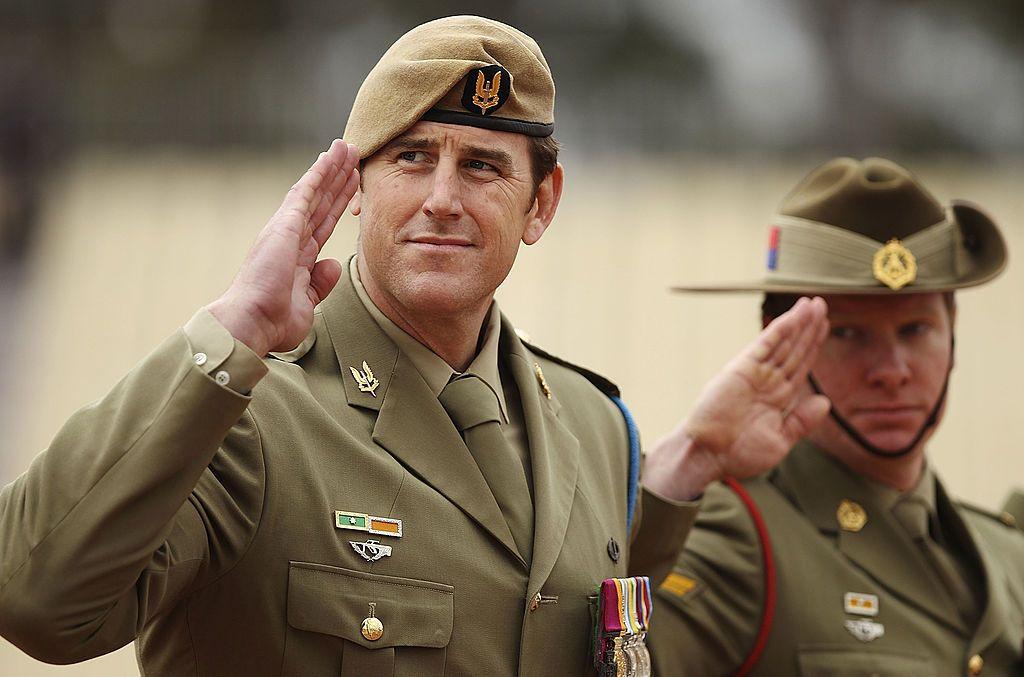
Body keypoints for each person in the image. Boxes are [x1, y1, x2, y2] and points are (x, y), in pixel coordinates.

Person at [0, 16, 830, 676]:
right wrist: (238, 331)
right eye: (411, 156)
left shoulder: (594, 427)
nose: (441, 198)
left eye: (481, 166)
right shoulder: (241, 408)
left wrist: (687, 464)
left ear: (541, 204)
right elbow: (36, 599)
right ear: (355, 185)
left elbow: (571, 631)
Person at [649, 157, 1024, 676]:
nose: (891, 372)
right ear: (776, 336)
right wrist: (689, 459)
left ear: (953, 333)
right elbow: (596, 650)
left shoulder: (1005, 555)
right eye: (847, 333)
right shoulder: (738, 533)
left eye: (915, 330)